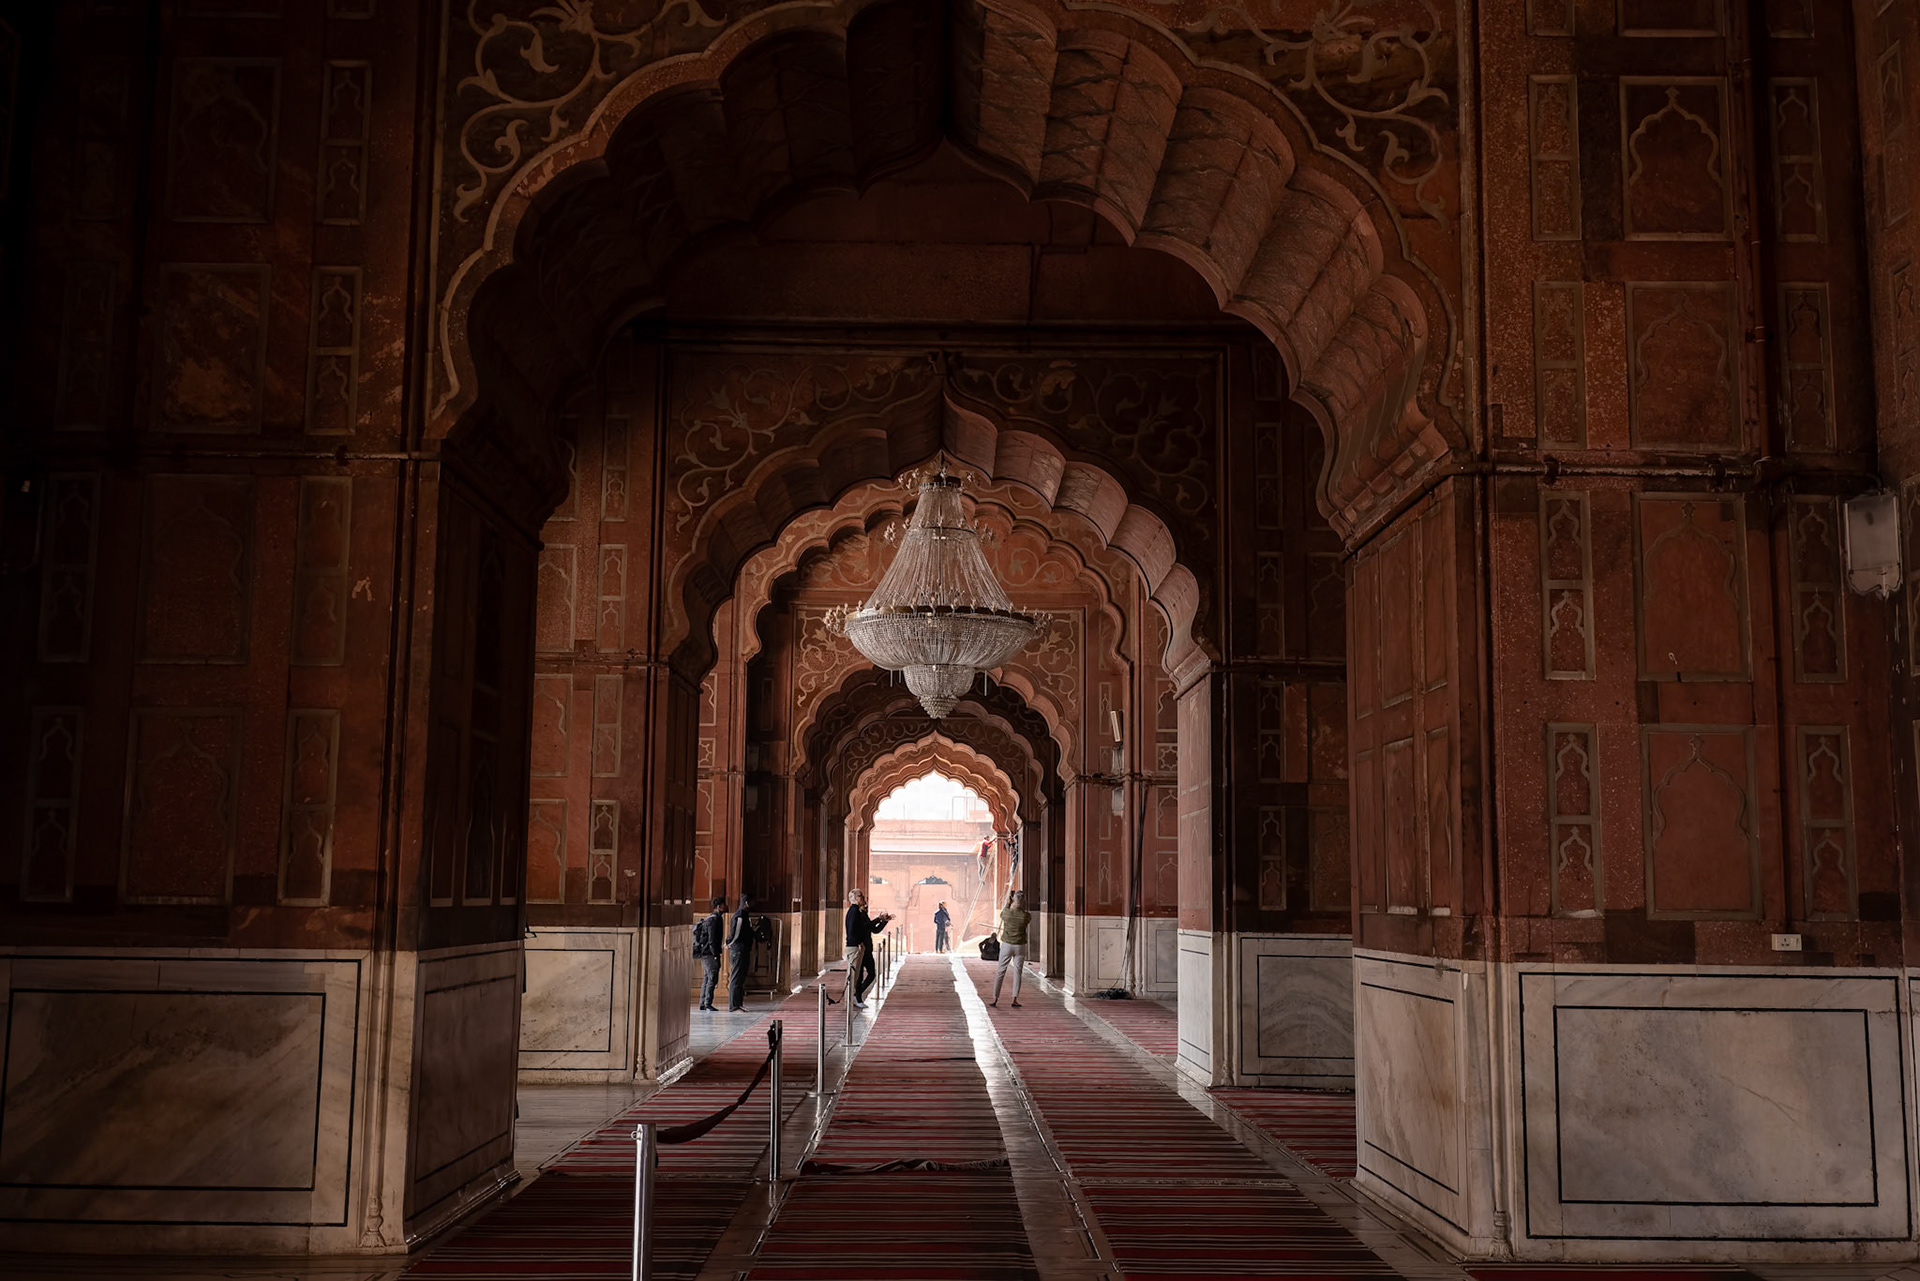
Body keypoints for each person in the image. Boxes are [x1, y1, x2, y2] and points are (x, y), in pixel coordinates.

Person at [843, 889, 890, 1008]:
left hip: (865, 948)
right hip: (858, 948)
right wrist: (858, 943)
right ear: (853, 898)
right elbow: (852, 931)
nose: (863, 898)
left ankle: (856, 996)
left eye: (862, 896)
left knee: (869, 974)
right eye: (860, 896)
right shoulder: (853, 912)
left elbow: (871, 928)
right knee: (856, 976)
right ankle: (854, 998)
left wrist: (882, 920)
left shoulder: (859, 912)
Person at [988, 889, 1031, 1008]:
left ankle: (995, 998)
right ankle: (1014, 999)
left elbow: (1003, 913)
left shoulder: (1006, 913)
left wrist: (1009, 902)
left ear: (1013, 899)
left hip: (1007, 944)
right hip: (1020, 945)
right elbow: (1024, 915)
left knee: (1000, 971)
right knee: (1018, 972)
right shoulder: (1025, 916)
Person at [693, 895, 726, 1011]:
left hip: (706, 953)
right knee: (712, 977)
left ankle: (703, 1002)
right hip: (709, 953)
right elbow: (712, 939)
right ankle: (707, 1003)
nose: (725, 907)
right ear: (718, 906)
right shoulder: (714, 920)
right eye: (723, 905)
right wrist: (715, 954)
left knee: (707, 977)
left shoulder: (711, 918)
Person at [724, 892, 755, 1012]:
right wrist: (729, 943)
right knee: (736, 978)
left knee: (740, 978)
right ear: (747, 902)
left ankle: (738, 1003)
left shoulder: (745, 914)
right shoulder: (740, 915)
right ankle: (734, 1006)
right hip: (738, 950)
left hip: (743, 950)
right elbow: (735, 932)